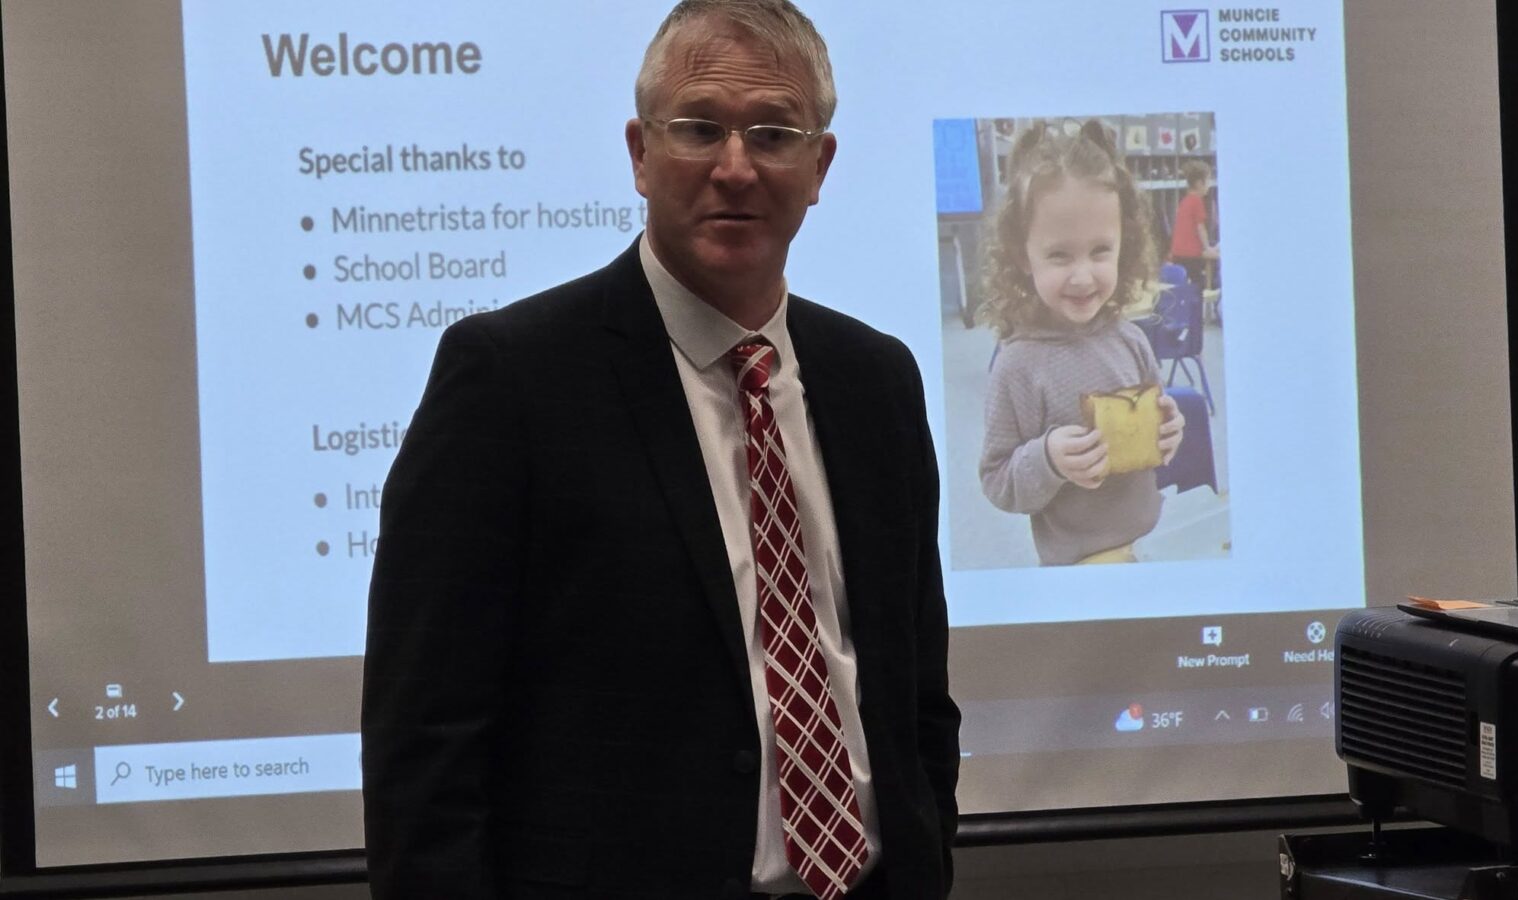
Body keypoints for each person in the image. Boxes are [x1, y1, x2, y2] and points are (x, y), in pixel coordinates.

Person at [360, 2, 961, 898]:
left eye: (773, 133)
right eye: (698, 129)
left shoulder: (878, 380)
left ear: (820, 164)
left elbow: (916, 698)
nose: (735, 167)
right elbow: (425, 740)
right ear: (640, 153)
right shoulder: (511, 378)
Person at [977, 121, 1186, 566]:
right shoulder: (1017, 366)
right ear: (1022, 255)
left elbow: (1156, 420)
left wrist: (1168, 429)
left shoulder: (1131, 340)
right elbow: (997, 479)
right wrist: (1048, 459)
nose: (1082, 275)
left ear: (1123, 246)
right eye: (1059, 255)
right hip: (1075, 568)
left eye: (1100, 251)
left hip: (1151, 545)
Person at [1168, 159, 1218, 292]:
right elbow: (1200, 227)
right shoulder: (1196, 201)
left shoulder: (1184, 201)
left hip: (1178, 254)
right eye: (1208, 181)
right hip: (1190, 255)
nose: (1209, 185)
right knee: (1198, 287)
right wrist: (1207, 248)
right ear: (1199, 183)